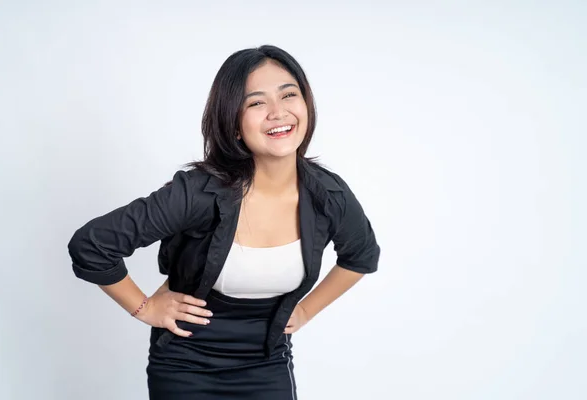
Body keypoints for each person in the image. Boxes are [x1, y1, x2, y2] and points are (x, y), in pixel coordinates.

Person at [67, 44, 380, 399]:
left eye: (289, 95)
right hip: (186, 364)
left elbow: (361, 256)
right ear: (233, 124)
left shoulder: (329, 196)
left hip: (267, 362)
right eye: (256, 103)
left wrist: (307, 309)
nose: (278, 112)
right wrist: (144, 307)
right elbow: (92, 245)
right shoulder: (198, 193)